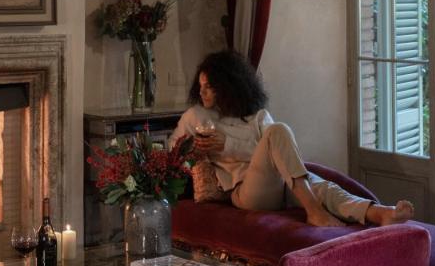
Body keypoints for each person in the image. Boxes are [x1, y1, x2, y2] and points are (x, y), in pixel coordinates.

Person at [170, 49, 415, 228]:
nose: (201, 92)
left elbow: (277, 154)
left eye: (209, 87)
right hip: (246, 192)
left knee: (320, 186)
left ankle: (379, 213)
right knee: (280, 132)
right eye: (200, 86)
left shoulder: (258, 116)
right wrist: (195, 158)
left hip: (280, 184)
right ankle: (314, 211)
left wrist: (228, 145)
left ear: (228, 87)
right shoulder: (197, 117)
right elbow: (172, 155)